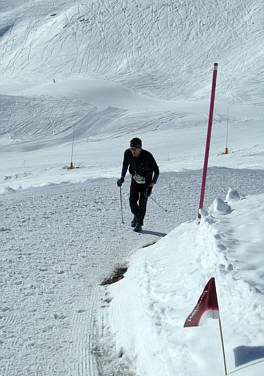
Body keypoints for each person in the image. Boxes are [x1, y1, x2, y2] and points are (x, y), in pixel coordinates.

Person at [117, 137, 159, 233]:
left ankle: (139, 223)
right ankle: (136, 215)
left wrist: (151, 185)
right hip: (135, 179)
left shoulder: (148, 156)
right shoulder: (127, 153)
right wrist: (122, 177)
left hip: (146, 181)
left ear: (140, 148)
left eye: (135, 149)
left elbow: (157, 172)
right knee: (132, 200)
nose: (133, 151)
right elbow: (125, 165)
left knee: (142, 202)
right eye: (132, 149)